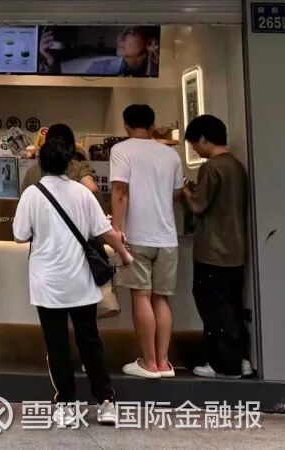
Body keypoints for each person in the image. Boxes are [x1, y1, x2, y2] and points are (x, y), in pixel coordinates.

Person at [13, 141, 134, 427]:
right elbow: (105, 232)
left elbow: (20, 235)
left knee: (56, 345)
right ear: (70, 164)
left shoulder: (32, 194)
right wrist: (125, 255)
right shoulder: (83, 194)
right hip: (81, 281)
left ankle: (66, 404)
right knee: (90, 341)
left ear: (41, 164)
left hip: (47, 283)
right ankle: (105, 401)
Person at [110, 104, 185, 379]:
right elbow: (177, 193)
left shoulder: (122, 150)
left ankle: (149, 363)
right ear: (153, 125)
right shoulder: (171, 154)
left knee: (141, 295)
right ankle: (164, 362)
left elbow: (120, 191)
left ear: (126, 125)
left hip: (137, 235)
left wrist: (116, 229)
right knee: (161, 298)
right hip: (167, 237)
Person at [181, 115, 253, 379]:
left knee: (213, 309)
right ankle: (241, 358)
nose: (195, 149)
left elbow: (198, 205)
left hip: (212, 252)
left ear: (203, 139)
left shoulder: (211, 167)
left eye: (194, 144)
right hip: (235, 250)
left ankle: (223, 365)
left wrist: (184, 191)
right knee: (233, 307)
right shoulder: (236, 166)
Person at [21, 124, 101, 195]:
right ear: (70, 145)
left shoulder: (32, 172)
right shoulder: (77, 167)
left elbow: (23, 200)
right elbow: (92, 189)